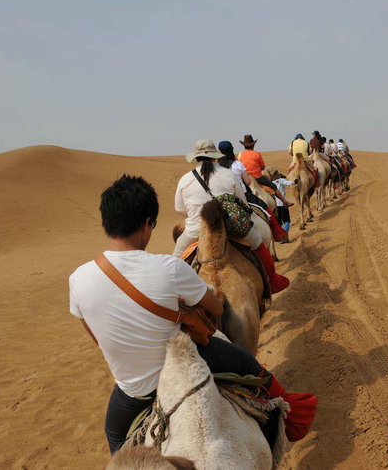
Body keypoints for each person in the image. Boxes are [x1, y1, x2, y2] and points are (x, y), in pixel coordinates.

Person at [68, 174, 317, 454]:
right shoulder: (169, 268)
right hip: (185, 364)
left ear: (107, 221)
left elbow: (96, 336)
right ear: (147, 224)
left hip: (133, 389)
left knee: (114, 436)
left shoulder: (78, 279)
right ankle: (291, 414)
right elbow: (216, 308)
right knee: (246, 361)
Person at [173, 139, 289, 293]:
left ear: (196, 158)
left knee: (175, 259)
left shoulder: (185, 179)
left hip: (197, 230)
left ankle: (173, 295)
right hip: (231, 226)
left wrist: (198, 215)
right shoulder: (228, 174)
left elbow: (180, 209)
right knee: (258, 244)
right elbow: (242, 202)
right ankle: (272, 280)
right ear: (215, 157)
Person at [218, 140, 290, 242]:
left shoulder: (218, 167)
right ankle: (283, 205)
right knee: (267, 206)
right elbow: (248, 182)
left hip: (222, 198)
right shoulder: (239, 163)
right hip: (250, 185)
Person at [237, 134, 293, 204]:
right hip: (258, 178)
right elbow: (263, 167)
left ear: (244, 146)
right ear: (253, 145)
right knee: (273, 186)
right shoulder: (257, 154)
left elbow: (239, 167)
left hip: (245, 179)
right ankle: (285, 202)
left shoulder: (240, 154)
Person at [272, 173, 295, 243]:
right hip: (282, 204)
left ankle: (280, 238)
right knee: (287, 220)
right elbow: (288, 183)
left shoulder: (271, 182)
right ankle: (284, 237)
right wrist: (294, 182)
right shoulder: (280, 180)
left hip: (275, 205)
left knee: (279, 222)